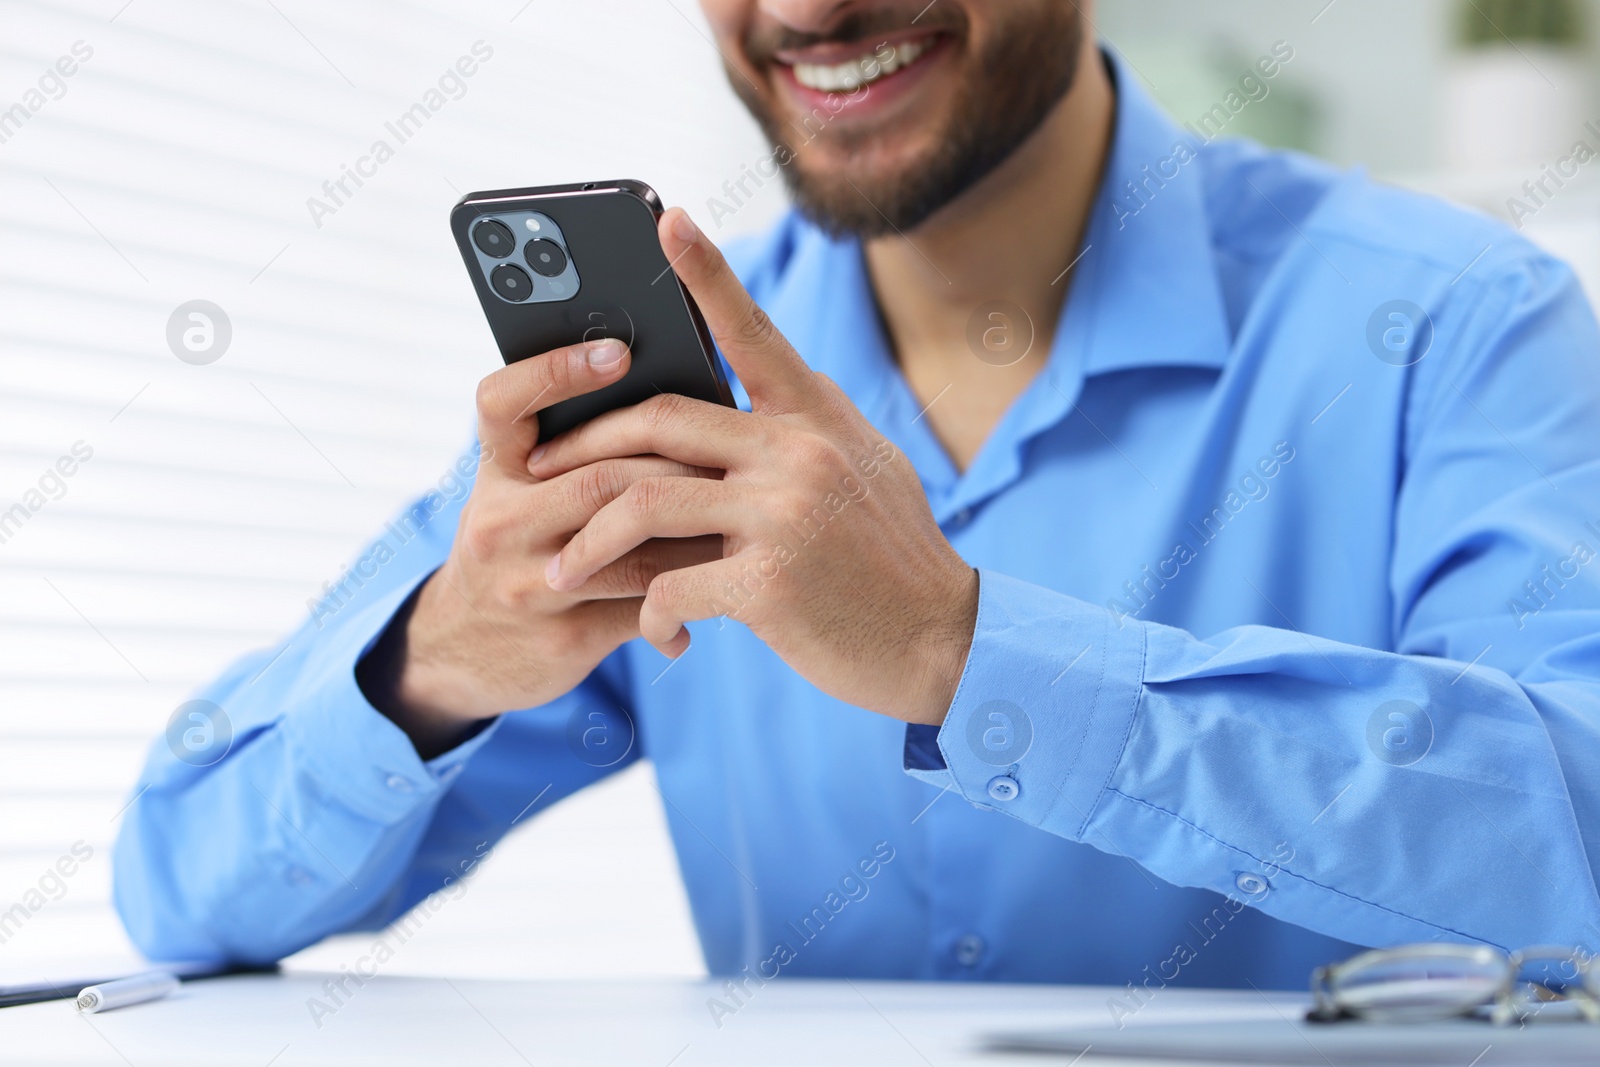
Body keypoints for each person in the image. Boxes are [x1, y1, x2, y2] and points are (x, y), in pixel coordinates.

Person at [115, 0, 1600, 995]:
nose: (808, 9)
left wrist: (968, 656)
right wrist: (441, 662)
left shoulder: (1459, 324)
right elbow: (183, 888)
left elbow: (1577, 851)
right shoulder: (665, 387)